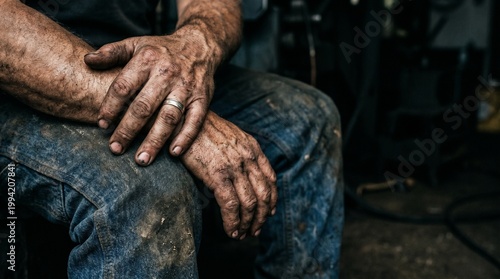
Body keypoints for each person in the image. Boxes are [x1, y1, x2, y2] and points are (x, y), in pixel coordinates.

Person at [0, 0, 344, 278]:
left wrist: (194, 45)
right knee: (146, 187)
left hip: (141, 67)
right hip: (20, 82)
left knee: (307, 119)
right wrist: (167, 109)